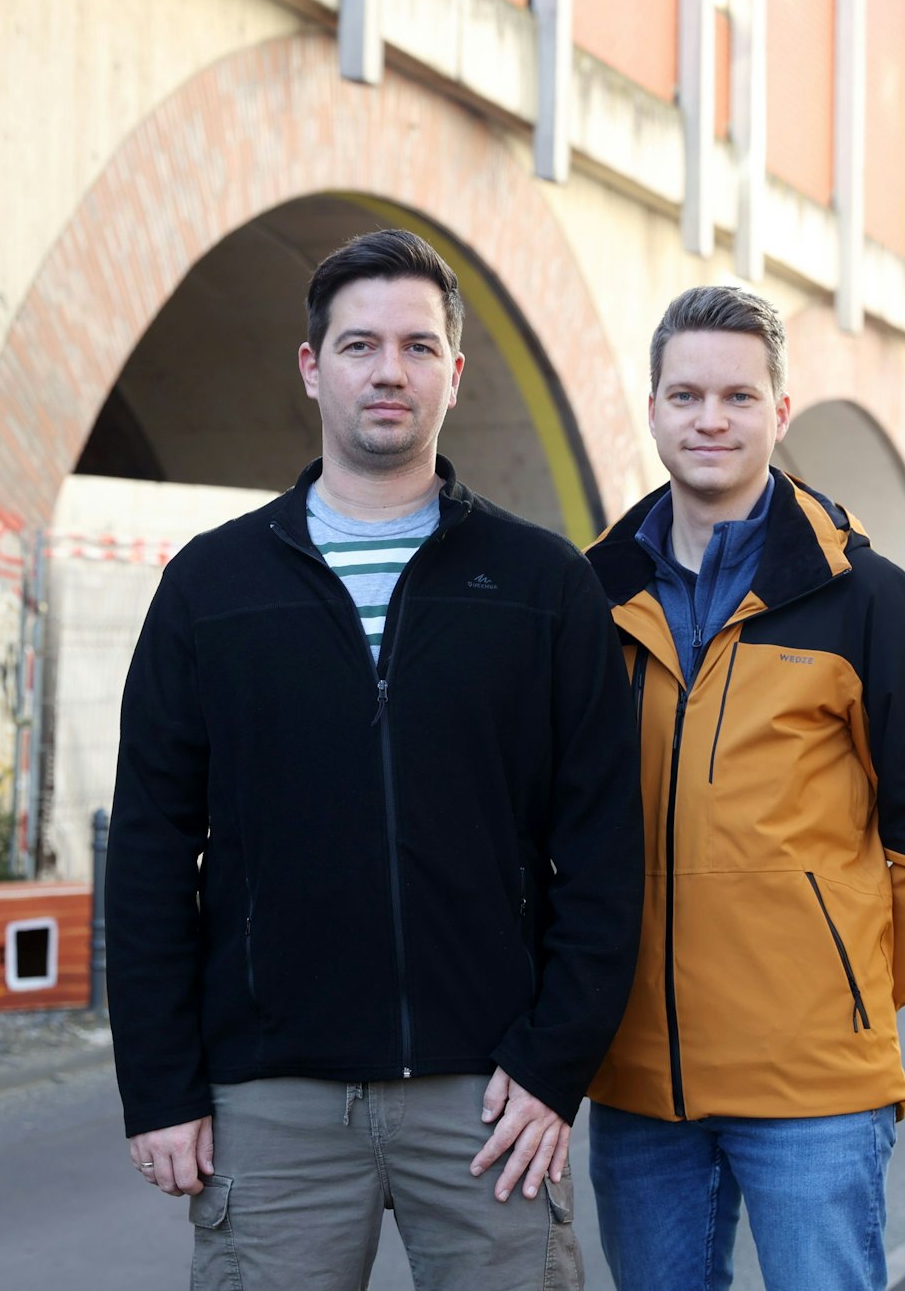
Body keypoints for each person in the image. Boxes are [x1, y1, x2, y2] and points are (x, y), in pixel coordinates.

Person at [105, 228, 643, 1290]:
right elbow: (152, 850)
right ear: (311, 368)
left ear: (452, 369)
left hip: (489, 1099)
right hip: (271, 1099)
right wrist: (160, 1083)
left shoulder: (539, 585)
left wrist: (550, 1062)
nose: (386, 369)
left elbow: (602, 849)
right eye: (357, 345)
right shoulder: (213, 586)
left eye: (414, 344)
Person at [580, 285, 905, 1290]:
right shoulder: (588, 597)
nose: (708, 419)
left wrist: (838, 985)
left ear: (778, 410)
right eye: (684, 396)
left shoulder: (865, 597)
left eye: (735, 395)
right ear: (651, 410)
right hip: (636, 1077)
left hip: (811, 1084)